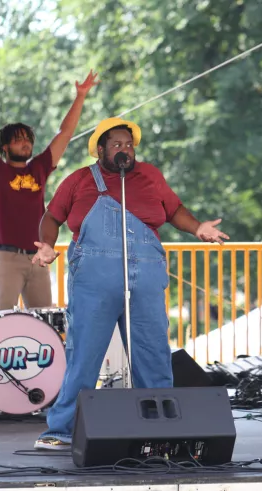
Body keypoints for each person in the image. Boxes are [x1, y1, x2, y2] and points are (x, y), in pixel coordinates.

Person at [30, 117, 229, 450]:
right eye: (117, 145)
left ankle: (163, 428)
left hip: (146, 277)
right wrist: (48, 245)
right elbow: (51, 216)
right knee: (84, 354)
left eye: (129, 144)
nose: (125, 150)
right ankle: (61, 429)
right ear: (101, 150)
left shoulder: (149, 175)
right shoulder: (79, 180)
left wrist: (197, 228)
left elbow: (174, 209)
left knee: (153, 353)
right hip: (94, 279)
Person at [0, 66, 98, 312]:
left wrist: (80, 96)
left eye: (28, 139)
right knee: (2, 320)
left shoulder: (39, 167)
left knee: (44, 321)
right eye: (18, 139)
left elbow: (65, 133)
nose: (25, 143)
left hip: (38, 256)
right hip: (7, 256)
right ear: (4, 148)